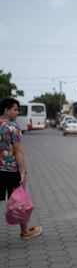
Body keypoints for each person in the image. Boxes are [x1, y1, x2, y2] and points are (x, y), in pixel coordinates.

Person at [0, 98, 42, 240]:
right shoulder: (12, 127)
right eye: (15, 110)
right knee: (19, 200)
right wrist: (23, 171)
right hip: (11, 170)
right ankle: (24, 231)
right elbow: (18, 150)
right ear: (6, 110)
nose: (17, 113)